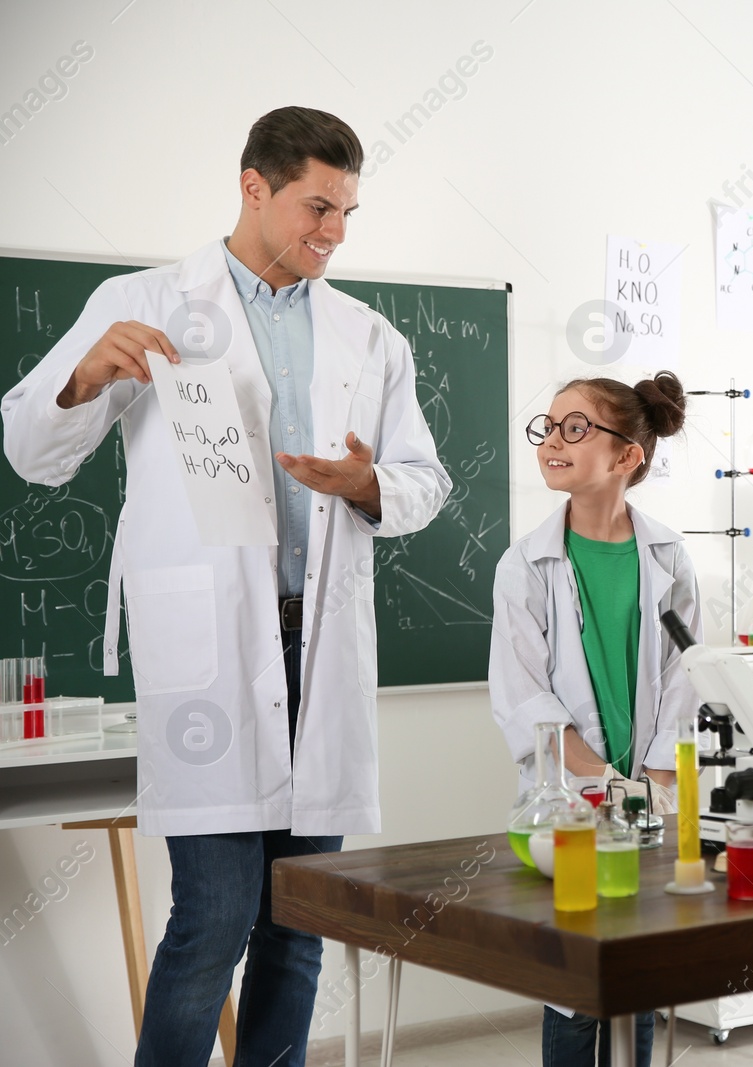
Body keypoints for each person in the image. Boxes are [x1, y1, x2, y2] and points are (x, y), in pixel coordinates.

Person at [1, 107, 450, 1066]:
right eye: (316, 206)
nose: (333, 232)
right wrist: (82, 376)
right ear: (254, 185)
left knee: (298, 923)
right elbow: (32, 451)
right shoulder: (150, 301)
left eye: (347, 213)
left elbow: (425, 479)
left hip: (317, 645)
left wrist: (366, 482)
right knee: (213, 915)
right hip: (208, 649)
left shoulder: (368, 335)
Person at [488, 372, 699, 1066]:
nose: (552, 441)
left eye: (574, 428)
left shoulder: (670, 557)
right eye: (547, 427)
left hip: (649, 794)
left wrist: (656, 780)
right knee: (575, 974)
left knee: (635, 964)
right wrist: (605, 780)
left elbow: (681, 678)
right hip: (571, 801)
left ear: (626, 455)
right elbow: (524, 699)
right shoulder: (525, 565)